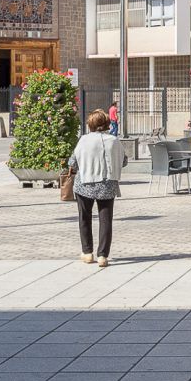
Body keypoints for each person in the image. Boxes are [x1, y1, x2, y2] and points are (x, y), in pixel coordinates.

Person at [68, 109, 128, 268]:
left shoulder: (83, 140)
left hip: (85, 183)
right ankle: (103, 256)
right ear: (107, 124)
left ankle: (87, 253)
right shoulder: (114, 140)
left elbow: (72, 163)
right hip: (108, 183)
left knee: (84, 218)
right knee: (106, 220)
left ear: (90, 125)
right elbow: (124, 161)